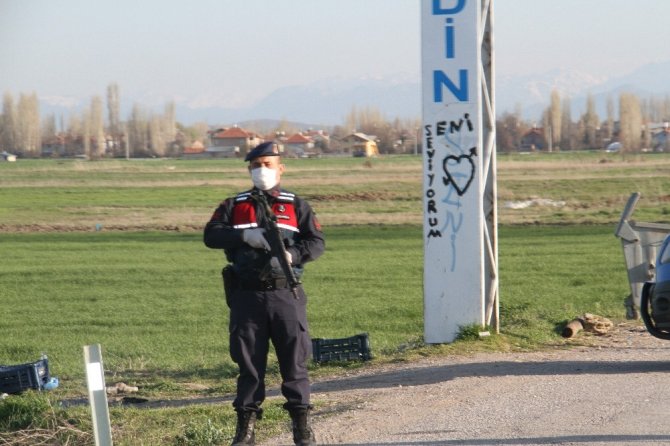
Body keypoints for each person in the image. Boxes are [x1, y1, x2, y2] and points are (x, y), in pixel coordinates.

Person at [204, 141, 325, 446]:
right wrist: (245, 235)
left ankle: (301, 428)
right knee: (249, 367)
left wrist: (292, 256)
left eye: (268, 164)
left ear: (281, 168)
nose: (262, 171)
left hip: (286, 295)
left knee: (294, 364)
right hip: (247, 297)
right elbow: (211, 235)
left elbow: (317, 242)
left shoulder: (295, 205)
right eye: (256, 165)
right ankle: (246, 431)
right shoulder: (234, 204)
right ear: (249, 169)